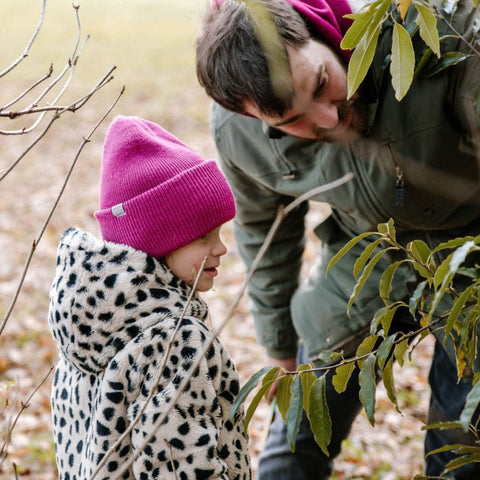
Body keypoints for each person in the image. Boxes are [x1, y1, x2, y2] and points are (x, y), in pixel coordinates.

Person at [195, 0, 480, 478]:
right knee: (293, 443)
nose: (329, 119)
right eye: (293, 121)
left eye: (323, 84)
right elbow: (266, 234)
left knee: (459, 452)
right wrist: (280, 350)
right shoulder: (238, 133)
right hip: (365, 255)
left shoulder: (433, 35)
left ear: (323, 34)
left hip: (471, 254)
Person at [48, 115, 252, 480]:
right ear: (158, 239)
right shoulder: (173, 340)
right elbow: (184, 468)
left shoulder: (89, 322)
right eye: (204, 236)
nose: (220, 248)